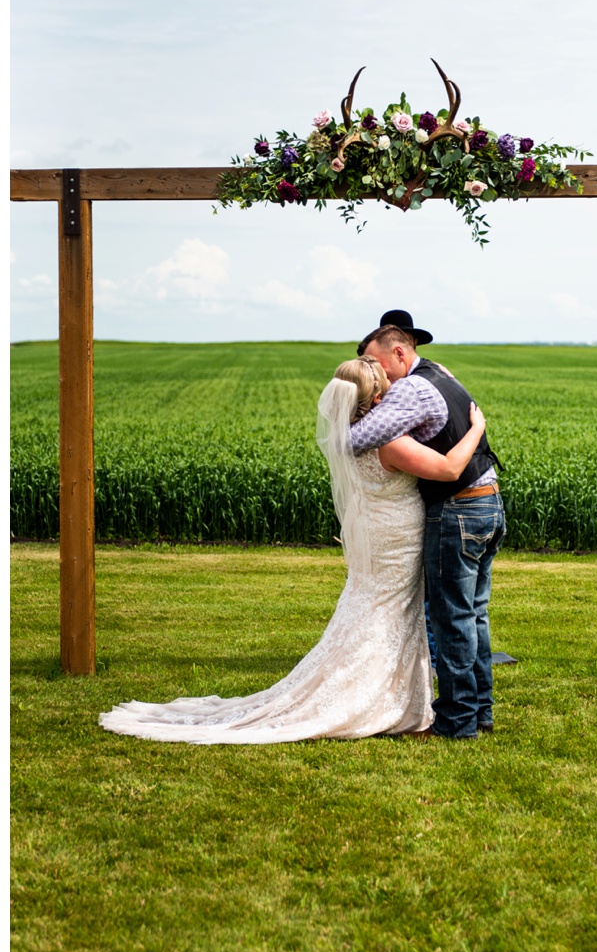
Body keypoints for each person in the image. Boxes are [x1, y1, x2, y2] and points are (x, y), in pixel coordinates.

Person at [98, 356, 486, 745]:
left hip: (376, 532)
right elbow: (450, 468)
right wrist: (475, 429)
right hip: (396, 537)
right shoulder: (391, 443)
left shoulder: (350, 439)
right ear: (380, 394)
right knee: (393, 609)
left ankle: (393, 695)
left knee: (374, 605)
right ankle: (381, 698)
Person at [350, 319, 505, 740]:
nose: (378, 373)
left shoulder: (410, 389)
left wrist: (350, 412)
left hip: (456, 510)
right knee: (474, 615)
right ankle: (481, 711)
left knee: (451, 619)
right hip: (489, 500)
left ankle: (456, 722)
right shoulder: (439, 373)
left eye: (378, 364)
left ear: (400, 353)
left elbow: (359, 437)